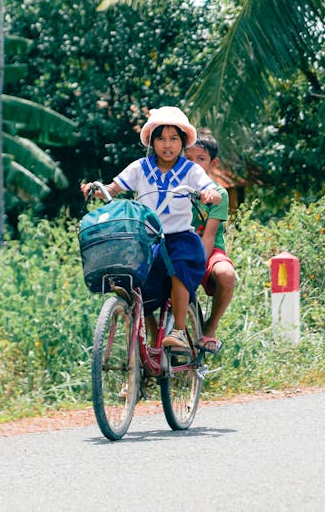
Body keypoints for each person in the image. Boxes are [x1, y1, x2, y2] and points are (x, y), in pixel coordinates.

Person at [80, 107, 223, 351]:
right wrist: (97, 189)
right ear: (152, 141)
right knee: (133, 284)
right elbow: (113, 188)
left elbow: (210, 188)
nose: (167, 144)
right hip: (146, 239)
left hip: (179, 237)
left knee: (180, 268)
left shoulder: (191, 171)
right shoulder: (139, 168)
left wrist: (210, 194)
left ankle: (179, 331)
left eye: (173, 138)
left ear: (182, 142)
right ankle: (141, 354)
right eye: (161, 138)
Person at [185, 133, 236, 354]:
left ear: (213, 163)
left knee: (226, 274)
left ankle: (210, 328)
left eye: (200, 159)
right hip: (176, 245)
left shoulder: (218, 194)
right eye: (188, 159)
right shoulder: (171, 188)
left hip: (207, 249)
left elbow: (209, 235)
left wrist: (197, 266)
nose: (193, 165)